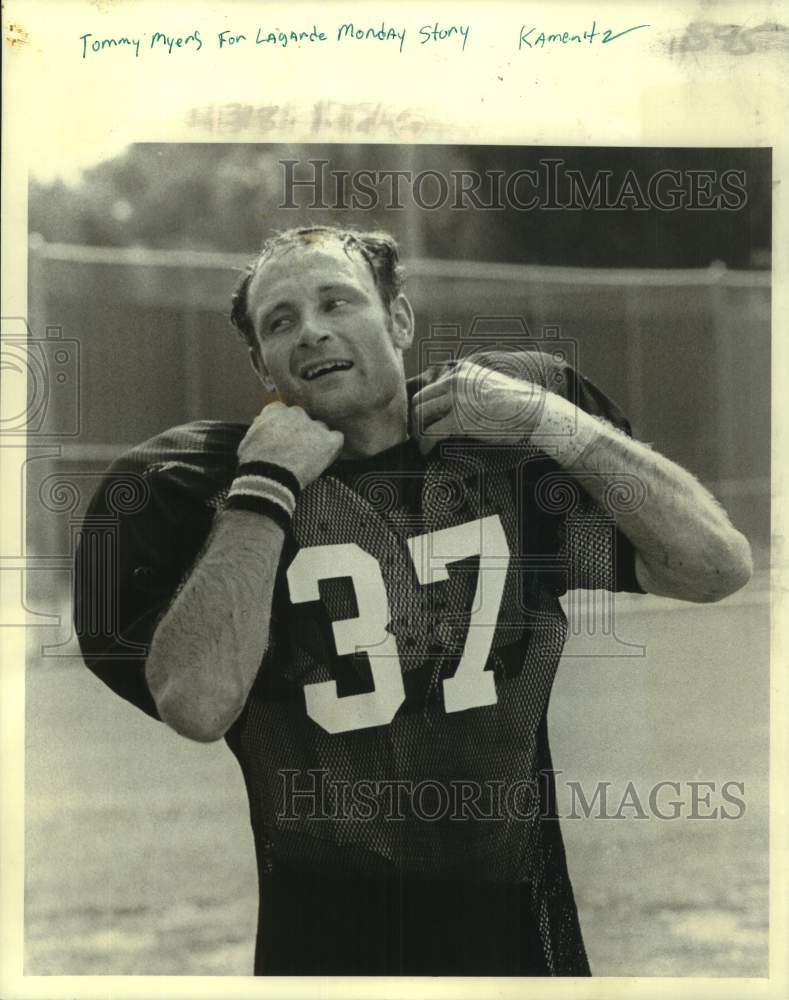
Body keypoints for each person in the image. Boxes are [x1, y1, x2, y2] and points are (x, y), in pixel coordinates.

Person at [75, 224, 753, 976]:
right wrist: (264, 485)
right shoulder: (214, 491)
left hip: (519, 945)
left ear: (399, 319)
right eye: (281, 321)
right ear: (259, 363)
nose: (312, 330)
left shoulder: (494, 460)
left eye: (337, 301)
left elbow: (712, 568)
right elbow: (199, 705)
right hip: (326, 953)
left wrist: (550, 421)